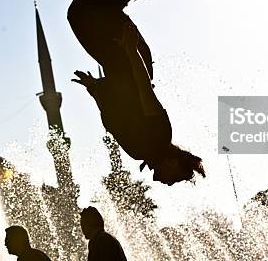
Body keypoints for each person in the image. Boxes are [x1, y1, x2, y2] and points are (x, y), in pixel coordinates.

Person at [73, 23, 205, 185]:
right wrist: (131, 49)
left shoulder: (139, 152)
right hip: (128, 62)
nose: (163, 181)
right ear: (173, 162)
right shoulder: (161, 135)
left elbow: (112, 116)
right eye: (174, 179)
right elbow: (144, 88)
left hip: (121, 68)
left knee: (78, 17)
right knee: (81, 16)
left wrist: (95, 89)